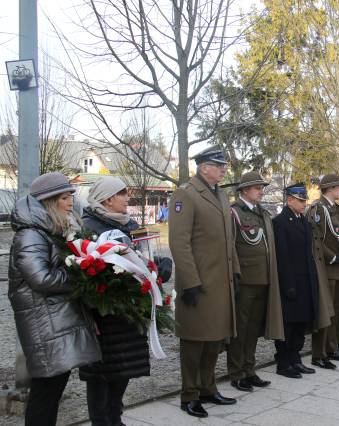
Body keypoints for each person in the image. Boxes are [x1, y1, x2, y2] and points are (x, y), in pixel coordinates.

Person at [9, 172, 101, 426]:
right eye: (64, 197)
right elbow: (41, 278)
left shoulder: (51, 229)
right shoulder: (31, 234)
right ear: (49, 202)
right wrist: (80, 276)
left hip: (55, 320)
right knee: (46, 391)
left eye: (71, 196)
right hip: (43, 322)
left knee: (52, 388)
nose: (71, 202)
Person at [79, 176, 157, 426]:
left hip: (130, 311)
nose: (127, 198)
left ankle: (116, 417)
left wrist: (157, 269)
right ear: (108, 199)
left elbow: (144, 254)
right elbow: (84, 269)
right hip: (104, 312)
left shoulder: (129, 224)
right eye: (123, 194)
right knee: (101, 374)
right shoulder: (88, 226)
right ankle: (101, 421)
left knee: (124, 368)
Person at [169, 146, 238, 418]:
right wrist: (189, 282)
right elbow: (179, 242)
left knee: (214, 340)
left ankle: (208, 388)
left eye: (224, 165)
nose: (223, 169)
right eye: (218, 164)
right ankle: (189, 395)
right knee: (194, 342)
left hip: (220, 283)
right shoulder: (186, 194)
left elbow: (227, 238)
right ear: (203, 167)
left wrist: (236, 270)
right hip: (197, 284)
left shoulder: (220, 194)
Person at [227, 172, 284, 391]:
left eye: (261, 187)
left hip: (263, 279)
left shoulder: (262, 213)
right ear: (244, 191)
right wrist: (235, 276)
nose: (261, 190)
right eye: (256, 187)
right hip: (245, 281)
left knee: (253, 330)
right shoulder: (234, 213)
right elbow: (231, 247)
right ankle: (236, 373)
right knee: (240, 330)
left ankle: (249, 370)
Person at [272, 183, 331, 378]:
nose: (304, 204)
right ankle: (283, 362)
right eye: (300, 200)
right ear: (290, 200)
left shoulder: (303, 221)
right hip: (291, 282)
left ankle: (295, 359)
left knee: (301, 323)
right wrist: (287, 284)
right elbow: (282, 256)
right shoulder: (280, 222)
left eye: (304, 200)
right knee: (288, 324)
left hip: (306, 281)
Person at [308, 173, 339, 368]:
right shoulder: (319, 209)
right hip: (327, 267)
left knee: (335, 310)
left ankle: (331, 348)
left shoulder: (335, 209)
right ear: (330, 188)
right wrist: (333, 256)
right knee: (325, 311)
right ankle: (319, 354)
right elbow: (316, 238)